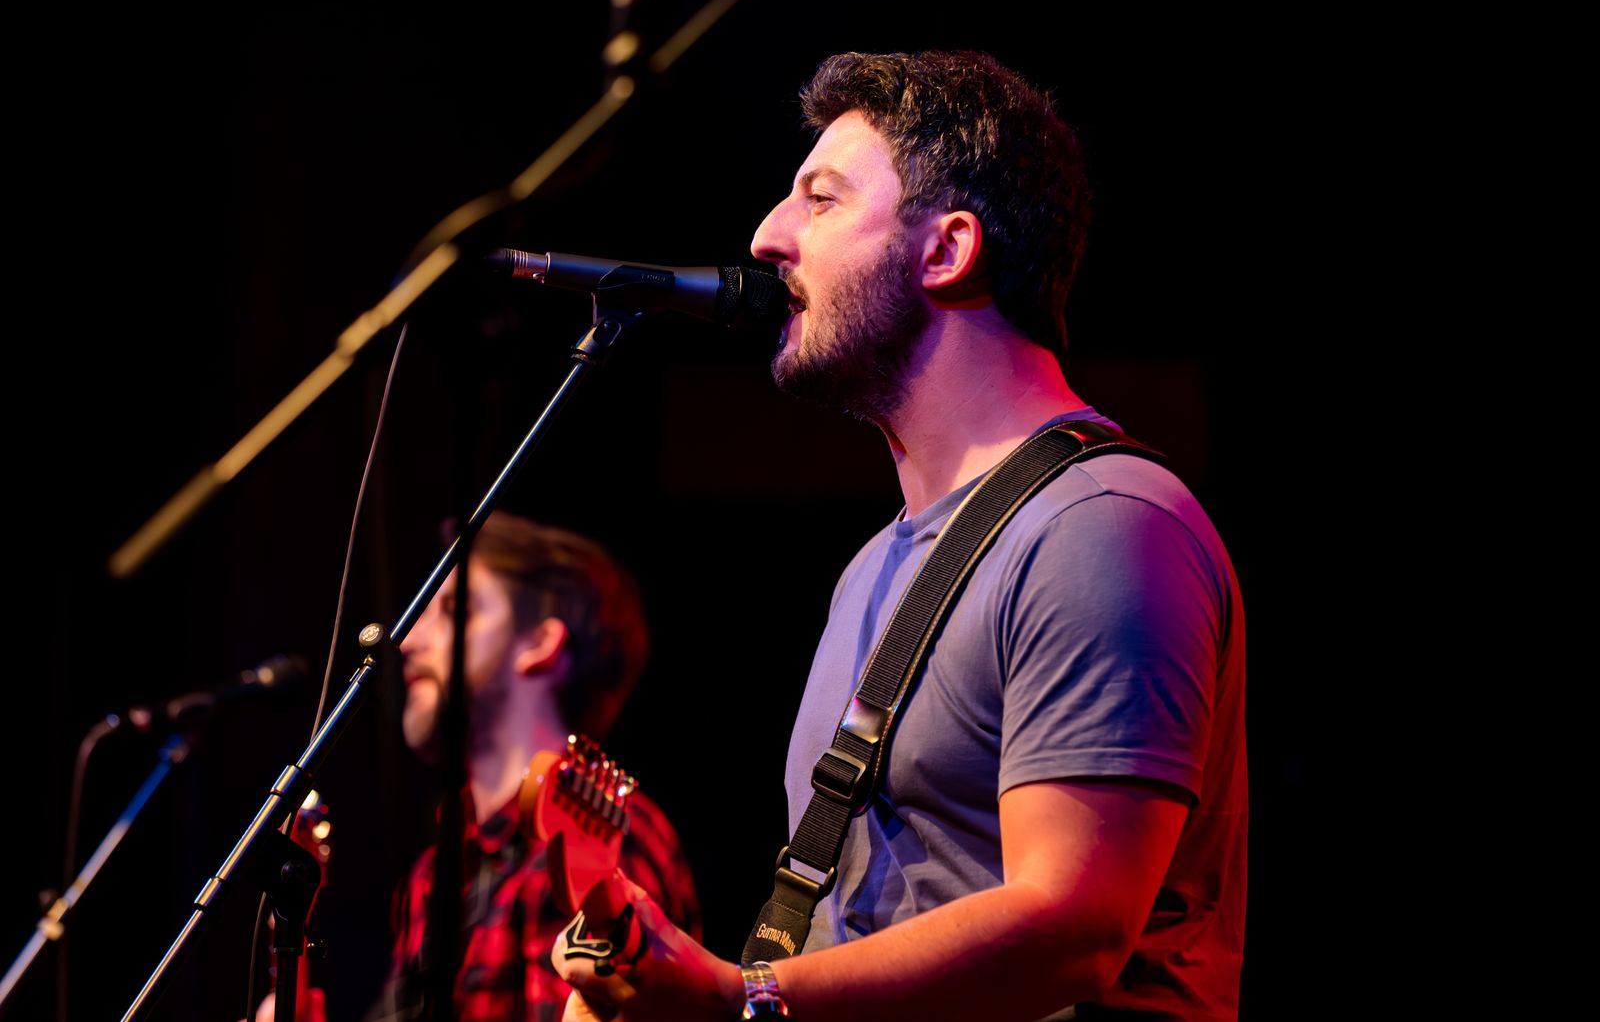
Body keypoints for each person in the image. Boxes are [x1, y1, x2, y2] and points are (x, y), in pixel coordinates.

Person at [553, 50, 1247, 1021]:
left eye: (821, 199)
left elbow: (1075, 924)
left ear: (946, 250)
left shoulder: (1099, 523)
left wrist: (742, 995)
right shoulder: (872, 567)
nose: (766, 236)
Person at [304, 511, 698, 1022]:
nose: (409, 640)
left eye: (457, 610)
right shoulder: (435, 874)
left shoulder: (605, 839)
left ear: (539, 642)